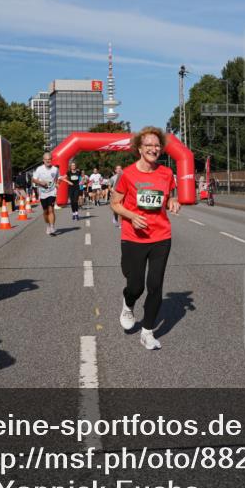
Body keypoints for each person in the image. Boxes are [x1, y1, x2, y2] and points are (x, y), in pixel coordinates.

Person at [110, 128, 179, 350]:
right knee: (136, 286)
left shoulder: (167, 173)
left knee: (155, 286)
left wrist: (172, 203)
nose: (153, 148)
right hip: (133, 237)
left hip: (161, 236)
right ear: (139, 148)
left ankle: (147, 331)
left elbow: (169, 198)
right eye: (149, 145)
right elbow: (115, 203)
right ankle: (128, 304)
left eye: (157, 145)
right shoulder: (127, 174)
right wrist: (131, 216)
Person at [32, 153, 60, 236]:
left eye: (49, 159)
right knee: (45, 211)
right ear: (43, 160)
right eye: (46, 159)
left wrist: (58, 183)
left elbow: (57, 178)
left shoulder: (55, 169)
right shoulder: (39, 169)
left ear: (51, 160)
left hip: (52, 192)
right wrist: (41, 182)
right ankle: (48, 225)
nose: (48, 161)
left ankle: (52, 226)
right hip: (43, 193)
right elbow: (33, 179)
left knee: (51, 209)